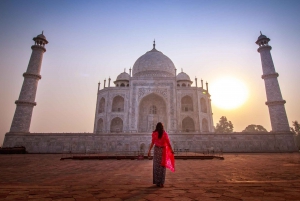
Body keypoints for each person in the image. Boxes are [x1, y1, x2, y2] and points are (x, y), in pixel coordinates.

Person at [147, 122, 175, 187]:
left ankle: (157, 182)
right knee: (162, 166)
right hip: (163, 150)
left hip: (156, 150)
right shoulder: (165, 134)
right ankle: (162, 182)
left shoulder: (154, 133)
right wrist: (171, 150)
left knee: (156, 166)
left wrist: (149, 150)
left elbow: (152, 142)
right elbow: (168, 143)